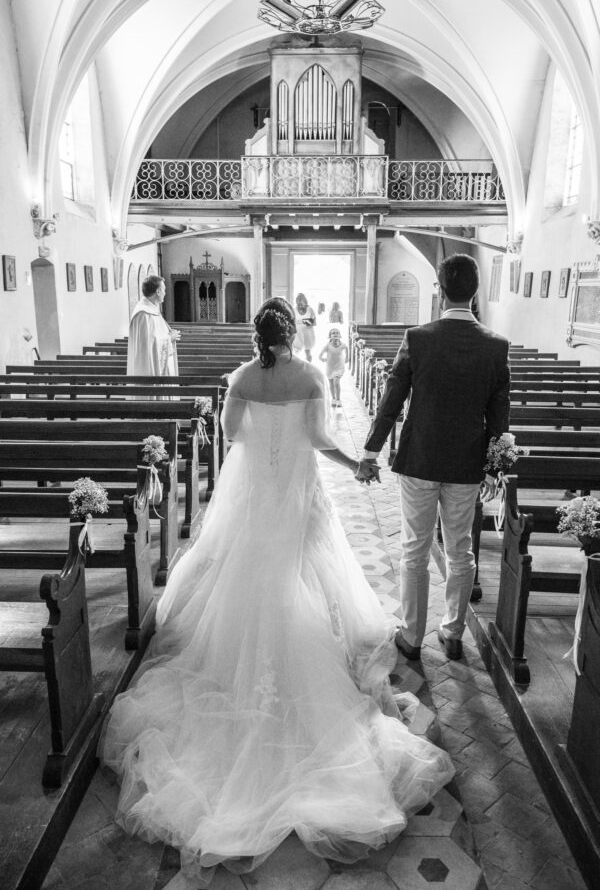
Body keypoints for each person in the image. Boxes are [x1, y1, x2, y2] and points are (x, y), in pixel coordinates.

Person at [100, 297, 454, 890]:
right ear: (291, 333)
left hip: (255, 506)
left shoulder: (240, 377)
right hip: (296, 504)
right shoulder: (311, 375)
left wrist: (254, 403)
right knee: (307, 587)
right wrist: (357, 464)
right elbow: (316, 439)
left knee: (246, 590)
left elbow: (233, 435)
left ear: (257, 336)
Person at [357, 254, 510, 662]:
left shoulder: (418, 338)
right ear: (475, 292)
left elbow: (391, 400)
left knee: (414, 550)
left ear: (439, 291)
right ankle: (453, 632)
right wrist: (495, 467)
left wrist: (370, 452)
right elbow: (499, 417)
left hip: (421, 460)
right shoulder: (496, 346)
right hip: (467, 465)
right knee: (461, 552)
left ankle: (410, 636)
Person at [127, 274, 180, 376]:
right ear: (158, 291)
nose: (165, 293)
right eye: (164, 289)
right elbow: (148, 346)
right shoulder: (143, 314)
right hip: (149, 373)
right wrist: (169, 338)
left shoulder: (151, 309)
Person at [319, 327, 348, 407]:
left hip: (339, 366)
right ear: (330, 336)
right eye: (333, 333)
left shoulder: (342, 344)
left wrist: (347, 357)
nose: (335, 334)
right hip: (330, 366)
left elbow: (346, 349)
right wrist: (322, 358)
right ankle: (333, 398)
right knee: (331, 383)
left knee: (336, 382)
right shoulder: (327, 345)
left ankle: (338, 399)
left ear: (340, 335)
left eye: (337, 333)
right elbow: (320, 355)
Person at [292, 292, 316, 361]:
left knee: (308, 353)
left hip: (308, 332)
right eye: (298, 304)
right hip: (298, 332)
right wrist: (304, 321)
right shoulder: (294, 310)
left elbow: (314, 322)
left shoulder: (310, 310)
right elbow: (292, 322)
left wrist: (301, 321)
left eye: (302, 304)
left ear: (305, 302)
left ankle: (309, 366)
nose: (300, 306)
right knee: (296, 352)